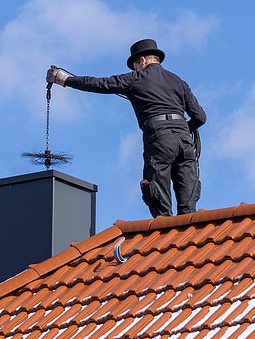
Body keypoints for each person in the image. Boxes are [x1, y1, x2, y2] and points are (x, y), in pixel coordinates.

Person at [46, 39, 206, 217]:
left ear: (142, 61)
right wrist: (185, 126)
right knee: (189, 210)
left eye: (135, 65)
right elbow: (200, 117)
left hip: (160, 139)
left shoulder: (135, 78)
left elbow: (100, 84)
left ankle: (165, 239)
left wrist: (64, 79)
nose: (135, 69)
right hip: (185, 142)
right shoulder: (179, 82)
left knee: (161, 208)